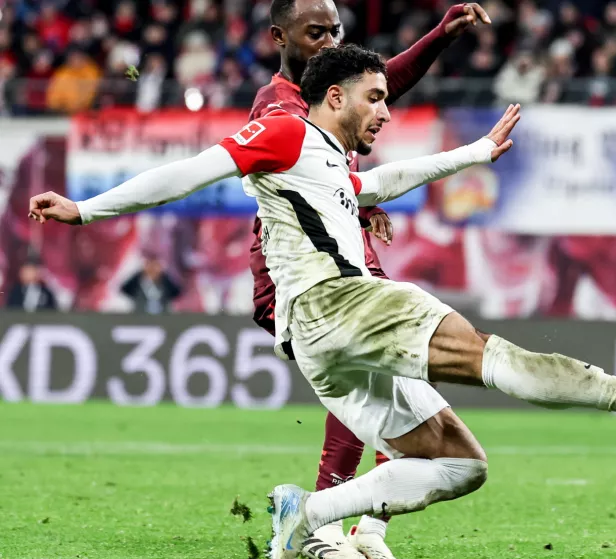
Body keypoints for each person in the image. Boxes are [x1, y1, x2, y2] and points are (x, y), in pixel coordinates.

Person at [26, 45, 616, 559]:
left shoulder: (327, 161)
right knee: (491, 356)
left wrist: (473, 154)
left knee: (462, 465)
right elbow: (192, 171)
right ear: (335, 96)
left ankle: (308, 513)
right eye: (375, 97)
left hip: (320, 342)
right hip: (337, 303)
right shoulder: (286, 130)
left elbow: (381, 182)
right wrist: (86, 210)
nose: (385, 111)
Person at [246, 1, 492, 558]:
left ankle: (361, 527)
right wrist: (358, 202)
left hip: (342, 254)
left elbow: (380, 87)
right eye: (316, 33)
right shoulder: (280, 105)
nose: (330, 42)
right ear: (280, 37)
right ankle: (326, 522)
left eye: (335, 31)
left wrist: (440, 36)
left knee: (389, 376)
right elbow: (304, 178)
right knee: (370, 378)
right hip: (300, 269)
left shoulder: (331, 96)